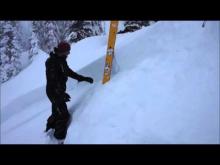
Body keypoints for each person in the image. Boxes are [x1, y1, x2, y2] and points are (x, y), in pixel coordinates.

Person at [45, 41, 93, 140]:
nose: (69, 54)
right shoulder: (52, 62)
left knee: (56, 111)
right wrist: (60, 94)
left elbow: (68, 72)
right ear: (62, 51)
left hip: (58, 91)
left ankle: (50, 126)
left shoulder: (61, 60)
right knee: (64, 115)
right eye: (68, 51)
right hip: (54, 92)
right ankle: (59, 137)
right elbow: (52, 81)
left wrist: (82, 78)